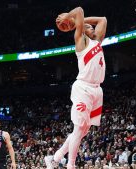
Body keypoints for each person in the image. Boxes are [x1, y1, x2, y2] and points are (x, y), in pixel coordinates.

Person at [45, 6, 107, 169]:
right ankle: (70, 165)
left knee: (83, 131)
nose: (91, 27)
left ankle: (55, 158)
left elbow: (103, 20)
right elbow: (79, 10)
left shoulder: (97, 41)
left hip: (97, 90)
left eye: (91, 26)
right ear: (81, 30)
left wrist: (81, 22)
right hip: (83, 88)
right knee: (79, 128)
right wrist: (73, 20)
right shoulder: (81, 41)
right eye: (87, 26)